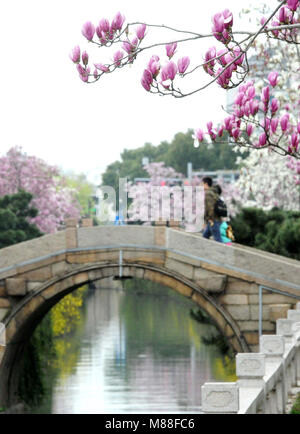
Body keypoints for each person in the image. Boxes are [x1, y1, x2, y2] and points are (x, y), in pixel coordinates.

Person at [202, 177, 222, 242]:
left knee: (218, 240)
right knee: (205, 236)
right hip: (216, 219)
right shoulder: (213, 192)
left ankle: (223, 251)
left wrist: (210, 219)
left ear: (206, 184)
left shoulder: (208, 193)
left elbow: (210, 208)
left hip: (213, 220)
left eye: (202, 184)